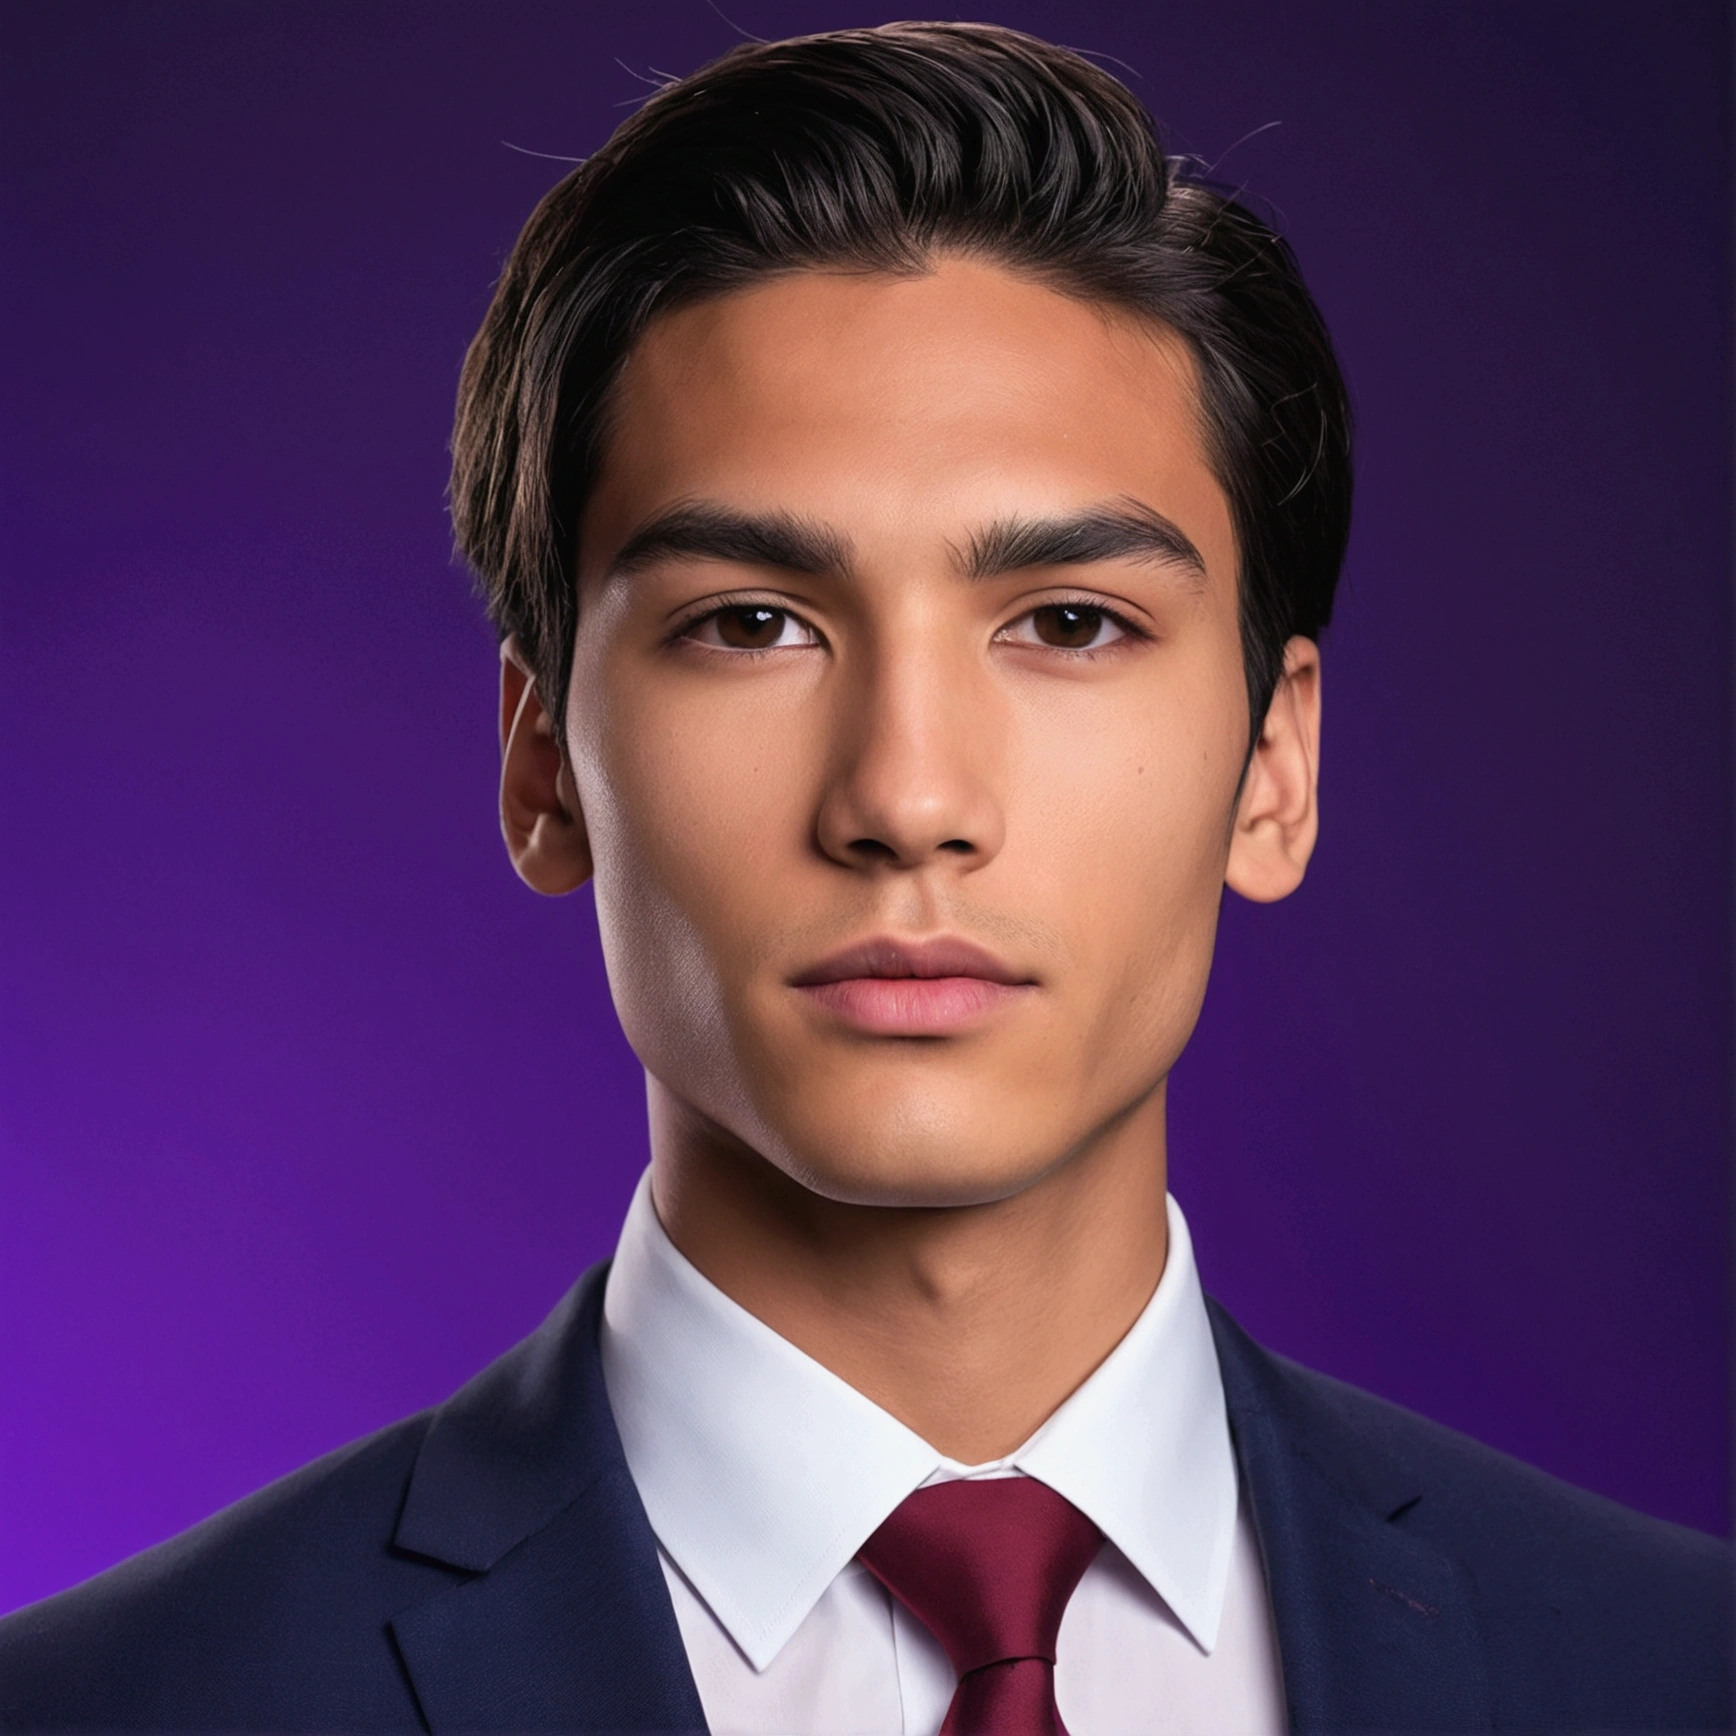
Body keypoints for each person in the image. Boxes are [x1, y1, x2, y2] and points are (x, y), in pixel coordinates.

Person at [1, 21, 1727, 1735]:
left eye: (1068, 623)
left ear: (1275, 766)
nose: (907, 798)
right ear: (544, 765)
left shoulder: (1672, 1672)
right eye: (751, 624)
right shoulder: (114, 1707)